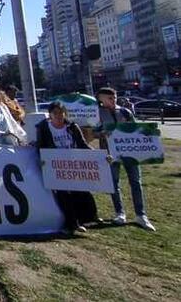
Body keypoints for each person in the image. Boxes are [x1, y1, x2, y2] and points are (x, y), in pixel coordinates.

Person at [96, 87, 155, 231]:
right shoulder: (97, 113)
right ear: (100, 99)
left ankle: (141, 215)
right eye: (109, 98)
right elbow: (93, 131)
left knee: (135, 182)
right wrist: (101, 133)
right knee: (114, 183)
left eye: (114, 97)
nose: (113, 100)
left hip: (130, 153)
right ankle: (120, 213)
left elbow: (136, 129)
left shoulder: (124, 112)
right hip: (110, 153)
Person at [36, 101, 100, 233]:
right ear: (50, 115)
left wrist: (97, 155)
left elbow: (82, 144)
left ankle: (82, 219)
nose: (59, 115)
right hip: (56, 165)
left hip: (73, 164)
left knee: (80, 192)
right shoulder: (43, 127)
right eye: (55, 113)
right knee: (63, 196)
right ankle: (71, 224)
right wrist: (42, 160)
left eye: (61, 112)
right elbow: (40, 146)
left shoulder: (72, 127)